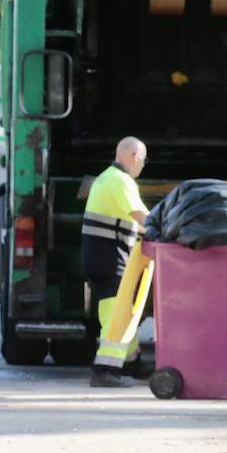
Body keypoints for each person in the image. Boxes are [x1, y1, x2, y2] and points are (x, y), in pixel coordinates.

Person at [81, 137, 149, 387]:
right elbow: (141, 217)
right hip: (110, 259)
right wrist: (171, 230)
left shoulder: (107, 177)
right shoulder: (120, 182)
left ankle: (132, 363)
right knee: (117, 316)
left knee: (120, 311)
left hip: (101, 257)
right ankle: (104, 371)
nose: (143, 165)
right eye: (143, 159)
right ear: (133, 155)